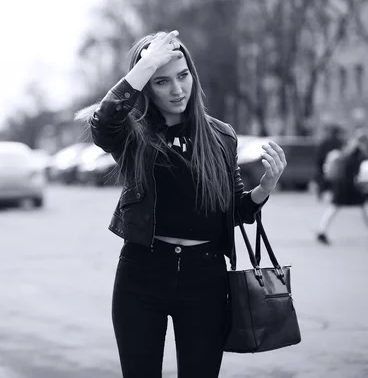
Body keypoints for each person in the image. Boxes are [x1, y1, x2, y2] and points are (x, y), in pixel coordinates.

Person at [75, 30, 287, 378]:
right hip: (142, 273)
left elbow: (235, 210)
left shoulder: (221, 136)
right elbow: (104, 122)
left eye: (183, 76)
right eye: (161, 81)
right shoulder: (133, 134)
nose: (177, 89)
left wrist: (264, 187)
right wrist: (145, 65)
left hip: (205, 278)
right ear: (146, 86)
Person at [316, 128, 368, 245]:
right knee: (339, 208)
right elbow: (356, 169)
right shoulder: (357, 152)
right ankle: (321, 231)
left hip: (344, 185)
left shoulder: (350, 150)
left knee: (336, 208)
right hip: (349, 186)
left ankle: (321, 231)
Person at [314, 123, 345, 200]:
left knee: (323, 180)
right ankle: (334, 194)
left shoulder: (325, 142)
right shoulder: (340, 142)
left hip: (324, 164)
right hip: (336, 166)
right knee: (335, 181)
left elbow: (319, 155)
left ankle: (321, 194)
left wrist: (320, 164)